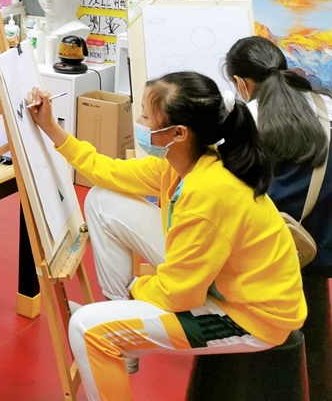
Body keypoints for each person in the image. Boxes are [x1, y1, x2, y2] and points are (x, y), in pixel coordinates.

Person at [24, 71, 305, 401]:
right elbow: (108, 171)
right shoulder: (186, 162)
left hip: (252, 316)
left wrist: (136, 289)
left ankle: (118, 325)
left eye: (145, 115)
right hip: (220, 279)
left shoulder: (208, 193)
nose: (139, 122)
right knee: (102, 199)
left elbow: (178, 295)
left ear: (179, 133)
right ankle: (121, 327)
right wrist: (50, 127)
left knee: (87, 329)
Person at [226, 36, 332, 272]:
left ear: (240, 83)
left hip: (272, 246)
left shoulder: (244, 119)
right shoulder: (326, 104)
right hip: (324, 243)